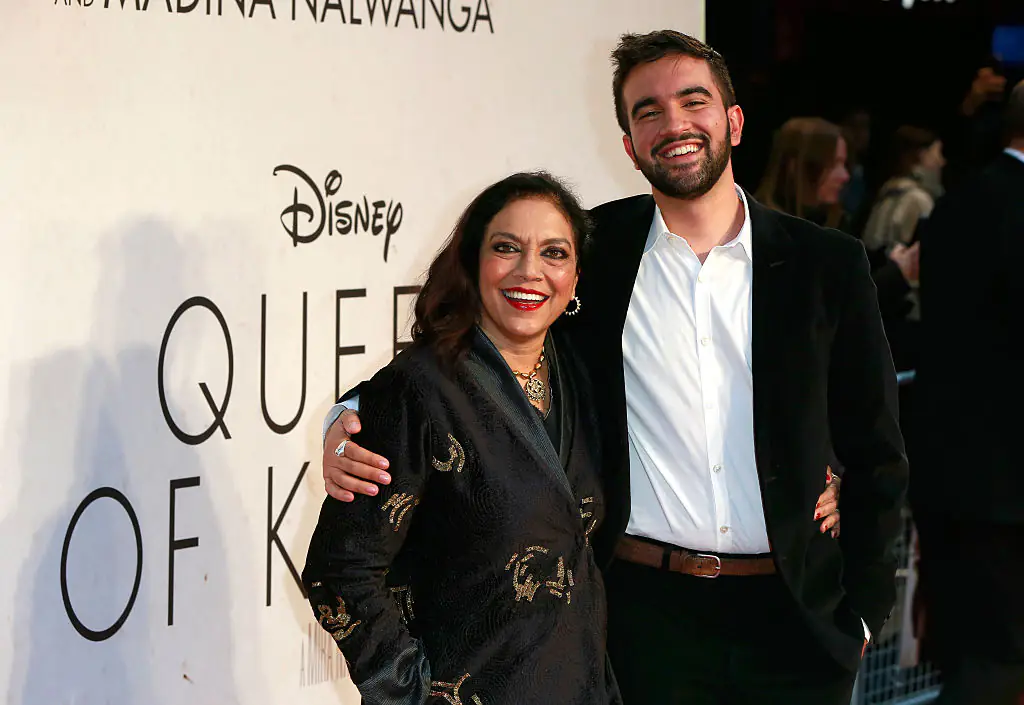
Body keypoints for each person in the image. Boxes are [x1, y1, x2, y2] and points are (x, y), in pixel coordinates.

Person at [323, 31, 906, 704]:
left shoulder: (826, 264)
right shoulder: (594, 255)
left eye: (695, 102)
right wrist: (355, 411)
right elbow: (474, 340)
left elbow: (879, 450)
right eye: (648, 111)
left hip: (796, 620)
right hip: (641, 621)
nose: (674, 124)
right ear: (629, 144)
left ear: (734, 121)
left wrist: (862, 612)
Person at [302, 172, 622, 705]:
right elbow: (341, 570)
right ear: (474, 262)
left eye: (554, 253)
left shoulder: (583, 378)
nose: (530, 271)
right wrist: (413, 694)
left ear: (575, 276)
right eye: (506, 248)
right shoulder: (418, 390)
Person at [911, 80, 1024, 705]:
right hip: (1007, 484)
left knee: (975, 655)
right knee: (1000, 659)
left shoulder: (957, 203)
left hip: (953, 472)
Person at [754, 116, 851, 230]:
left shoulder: (837, 226)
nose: (845, 176)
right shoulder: (759, 226)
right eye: (833, 164)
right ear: (795, 166)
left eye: (844, 164)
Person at [861, 126, 945, 255]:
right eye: (937, 153)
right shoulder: (918, 200)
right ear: (921, 156)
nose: (942, 162)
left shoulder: (886, 192)